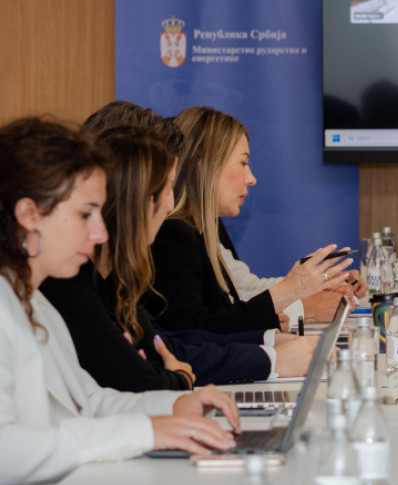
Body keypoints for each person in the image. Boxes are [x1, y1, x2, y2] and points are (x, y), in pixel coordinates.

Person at [0, 117, 240, 485]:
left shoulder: (34, 303)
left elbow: (92, 402)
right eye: (86, 214)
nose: (99, 232)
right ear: (29, 213)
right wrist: (147, 431)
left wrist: (177, 403)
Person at [42, 125, 317, 390]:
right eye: (165, 190)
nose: (170, 205)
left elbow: (167, 344)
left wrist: (268, 342)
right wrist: (181, 377)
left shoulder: (113, 279)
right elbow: (143, 376)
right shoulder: (72, 286)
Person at [148, 106, 353, 334]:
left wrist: (305, 287)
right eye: (243, 163)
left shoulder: (198, 231)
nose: (251, 179)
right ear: (204, 165)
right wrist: (291, 290)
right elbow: (193, 332)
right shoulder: (173, 234)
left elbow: (225, 314)